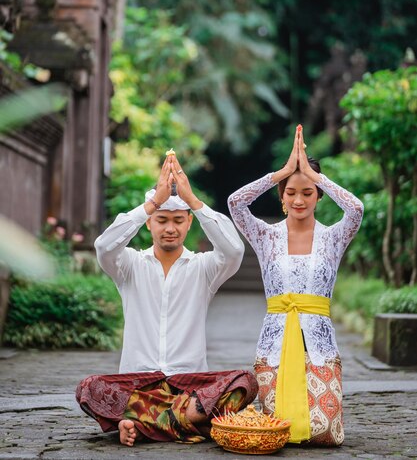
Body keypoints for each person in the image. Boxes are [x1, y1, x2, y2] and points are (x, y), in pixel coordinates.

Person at [76, 153, 258, 447]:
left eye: (177, 220)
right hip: (138, 383)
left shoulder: (204, 268)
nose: (170, 228)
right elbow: (104, 246)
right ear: (149, 223)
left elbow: (234, 251)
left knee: (245, 382)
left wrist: (194, 202)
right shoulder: (130, 265)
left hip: (190, 385)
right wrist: (152, 202)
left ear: (188, 224)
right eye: (161, 220)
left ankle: (140, 424)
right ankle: (187, 424)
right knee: (89, 388)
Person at [228, 125, 364, 446]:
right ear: (282, 197)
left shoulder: (333, 237)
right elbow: (236, 202)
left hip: (320, 344)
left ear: (318, 196)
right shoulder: (266, 236)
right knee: (277, 430)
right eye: (291, 192)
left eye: (308, 192)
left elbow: (356, 209)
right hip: (274, 340)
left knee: (324, 433)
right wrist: (284, 172)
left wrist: (316, 176)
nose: (299, 199)